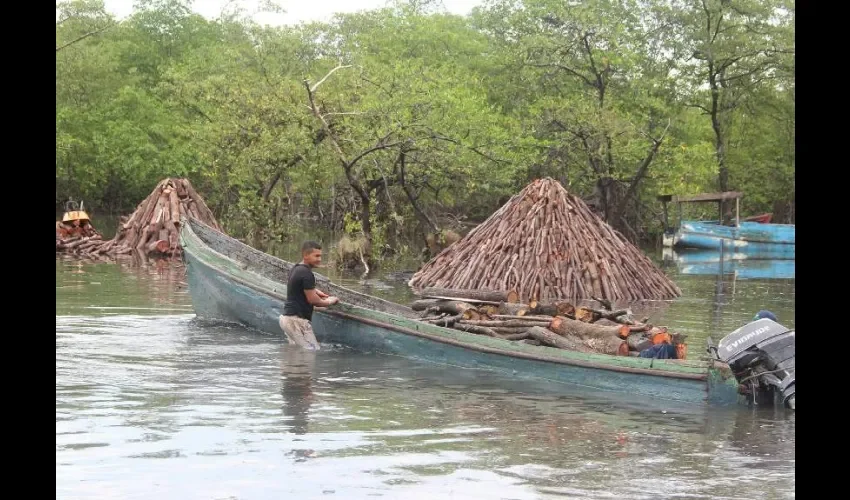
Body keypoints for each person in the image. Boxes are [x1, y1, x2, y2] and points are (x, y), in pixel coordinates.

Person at [279, 241, 340, 350]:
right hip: (297, 322)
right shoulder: (307, 274)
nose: (319, 259)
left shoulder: (297, 268)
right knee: (311, 351)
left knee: (295, 353)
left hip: (287, 319)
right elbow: (313, 301)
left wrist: (314, 290)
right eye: (316, 256)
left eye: (320, 256)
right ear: (306, 255)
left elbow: (297, 286)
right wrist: (330, 301)